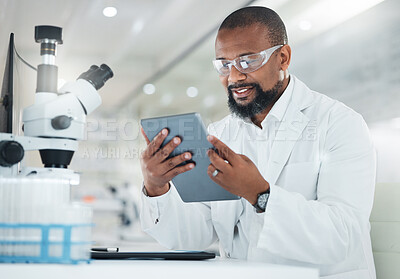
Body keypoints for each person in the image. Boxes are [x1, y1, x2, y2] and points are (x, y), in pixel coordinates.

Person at [139, 6, 376, 279]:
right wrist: (156, 188)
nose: (234, 76)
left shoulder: (339, 124)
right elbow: (193, 236)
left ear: (283, 58)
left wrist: (260, 195)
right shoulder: (219, 134)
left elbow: (342, 236)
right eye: (224, 64)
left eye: (248, 60)